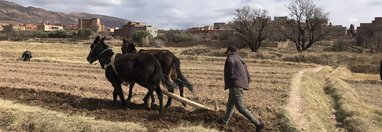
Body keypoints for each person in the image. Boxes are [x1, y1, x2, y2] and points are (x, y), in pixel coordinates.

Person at [220, 46, 264, 132]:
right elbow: (247, 73)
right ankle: (224, 122)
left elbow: (230, 62)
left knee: (240, 107)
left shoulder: (231, 58)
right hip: (239, 84)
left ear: (229, 51)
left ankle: (258, 124)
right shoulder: (241, 60)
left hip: (235, 85)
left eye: (227, 53)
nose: (227, 55)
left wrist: (232, 75)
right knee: (230, 105)